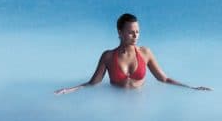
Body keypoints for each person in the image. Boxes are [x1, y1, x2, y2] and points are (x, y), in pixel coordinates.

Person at [55, 13, 212, 94]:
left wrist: (191, 88)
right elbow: (92, 83)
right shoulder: (108, 56)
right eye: (131, 32)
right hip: (115, 104)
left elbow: (164, 79)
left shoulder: (145, 53)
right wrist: (69, 90)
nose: (135, 35)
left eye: (137, 32)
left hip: (139, 103)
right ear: (120, 32)